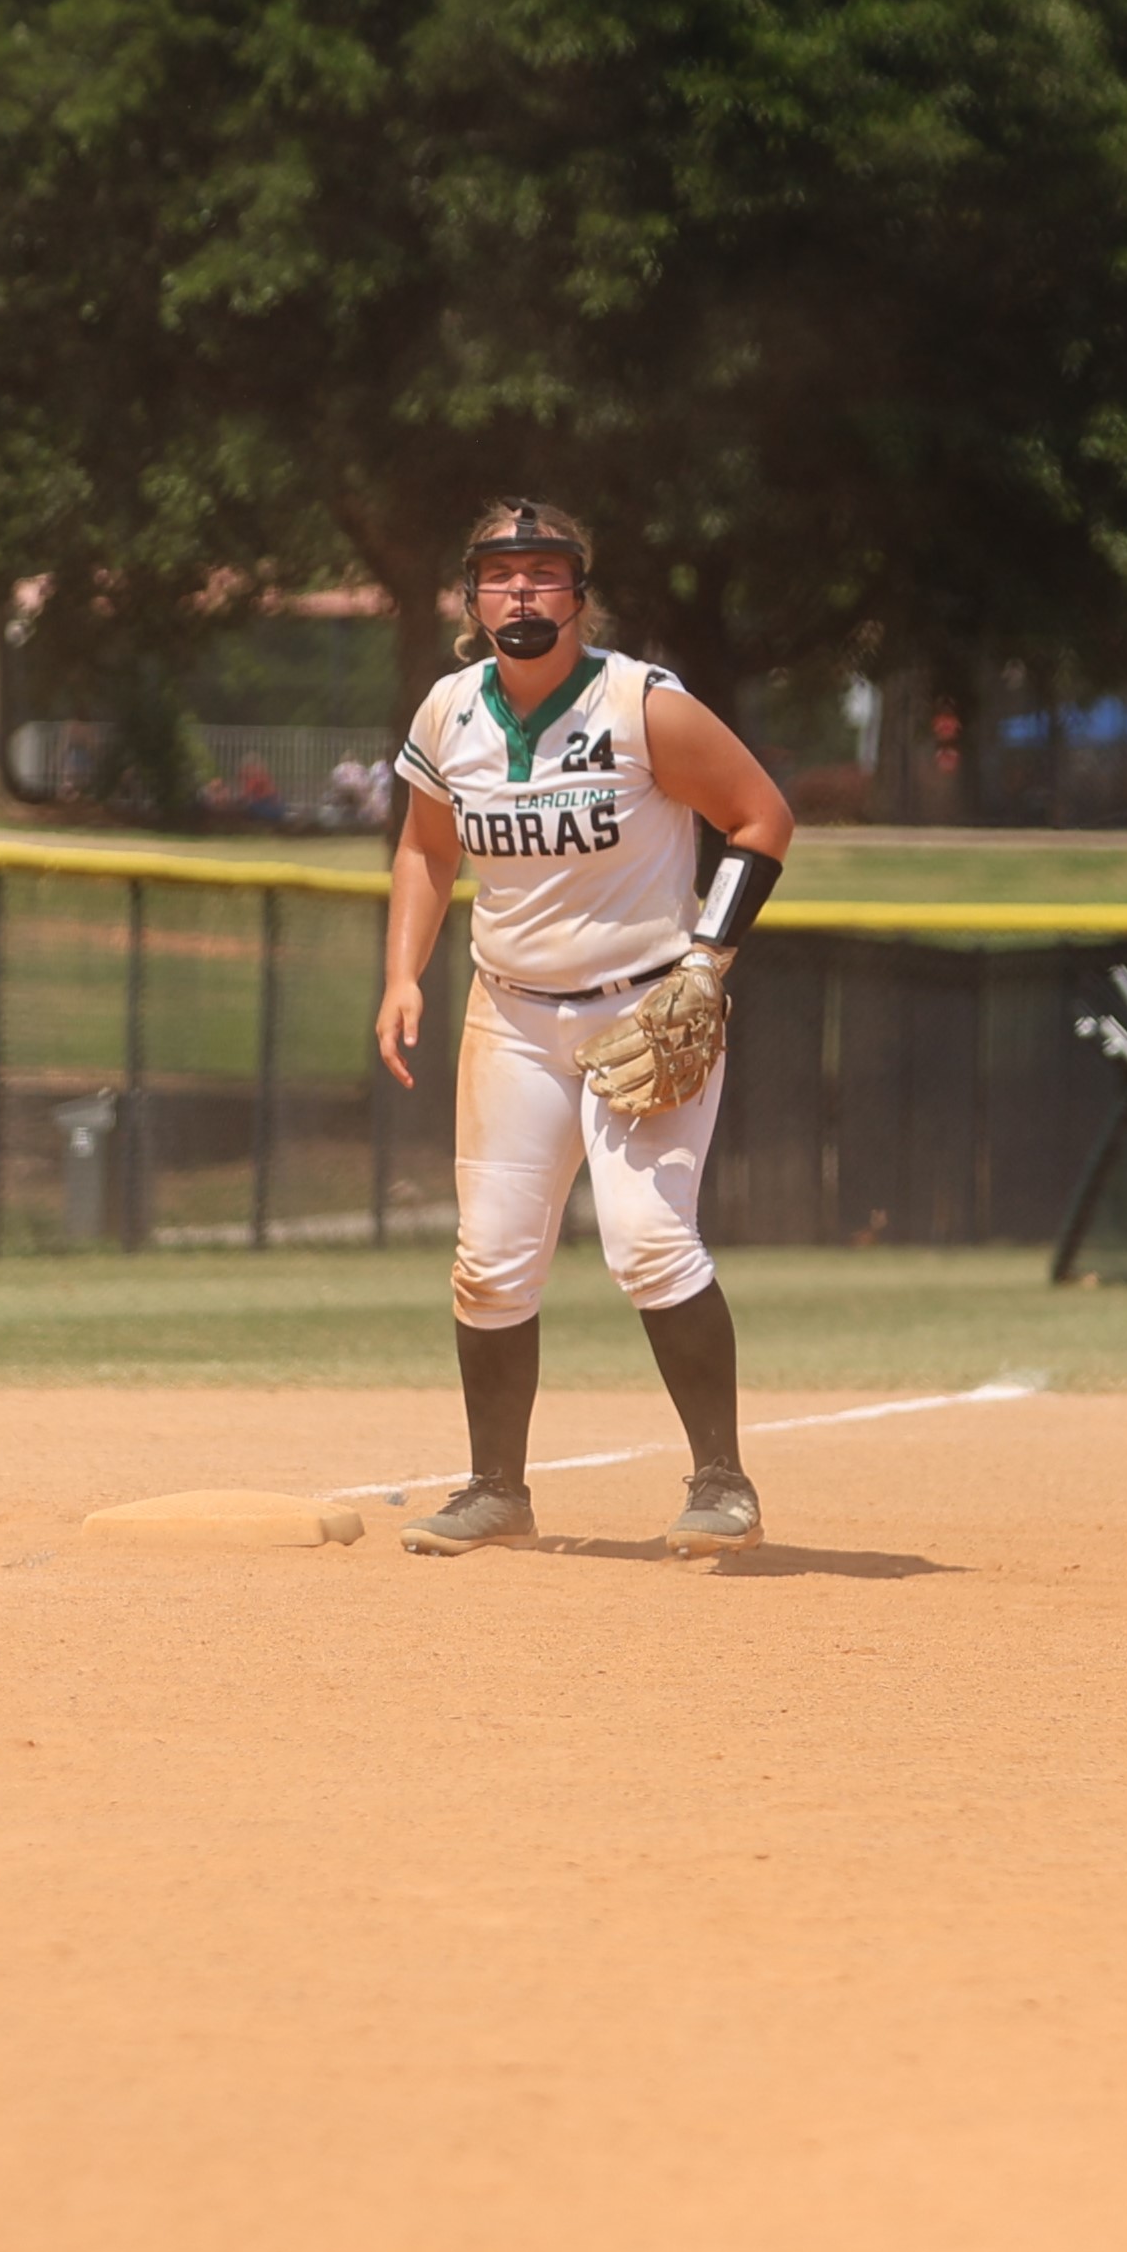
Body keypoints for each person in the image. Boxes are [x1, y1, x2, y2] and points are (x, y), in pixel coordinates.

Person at [372, 498, 795, 1558]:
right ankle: (496, 1493)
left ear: (579, 593)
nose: (521, 590)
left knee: (647, 1240)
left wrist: (706, 958)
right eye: (499, 573)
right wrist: (401, 975)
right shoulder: (448, 712)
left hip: (645, 1009)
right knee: (489, 1261)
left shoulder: (641, 705)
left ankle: (723, 1483)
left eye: (544, 571)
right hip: (510, 1017)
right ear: (470, 598)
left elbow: (761, 818)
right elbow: (426, 848)